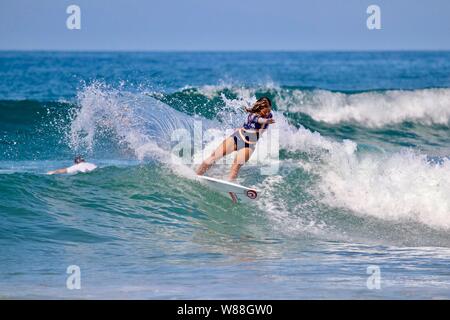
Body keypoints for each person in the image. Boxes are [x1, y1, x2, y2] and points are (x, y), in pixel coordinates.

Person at [196, 96, 275, 181]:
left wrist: (267, 120)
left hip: (249, 145)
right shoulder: (253, 115)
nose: (267, 113)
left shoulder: (269, 115)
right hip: (237, 137)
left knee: (236, 166)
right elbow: (259, 120)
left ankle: (229, 186)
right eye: (265, 110)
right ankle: (196, 175)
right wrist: (266, 121)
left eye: (269, 110)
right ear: (260, 108)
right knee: (214, 156)